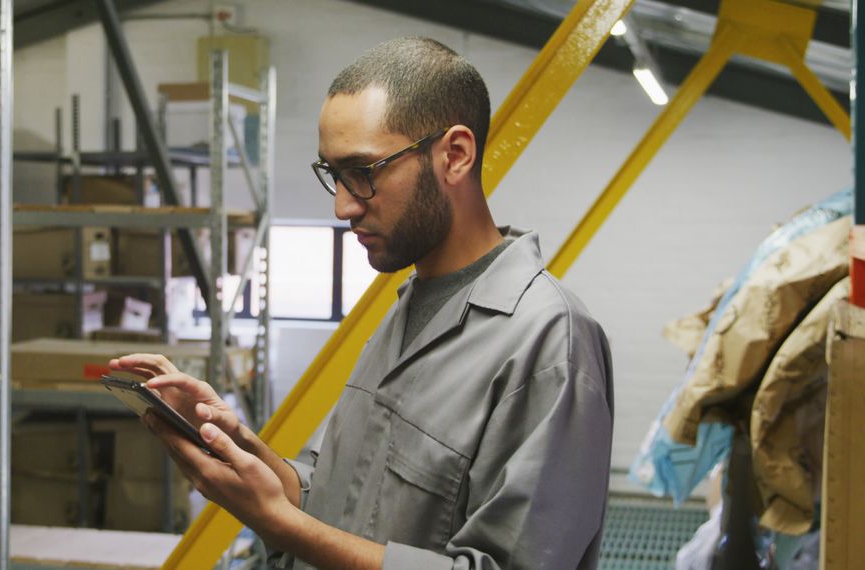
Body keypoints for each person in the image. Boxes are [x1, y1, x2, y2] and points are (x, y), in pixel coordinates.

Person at [110, 36, 614, 569]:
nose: (342, 206)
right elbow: (329, 499)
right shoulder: (407, 314)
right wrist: (234, 443)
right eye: (333, 173)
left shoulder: (548, 340)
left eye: (363, 172)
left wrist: (280, 523)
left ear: (456, 155)